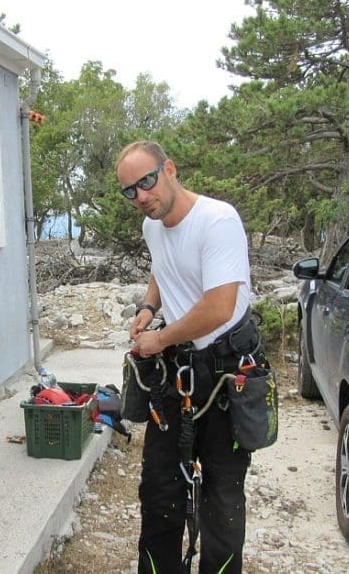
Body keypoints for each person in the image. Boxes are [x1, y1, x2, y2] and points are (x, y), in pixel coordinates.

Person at [118, 141, 262, 573]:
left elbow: (219, 307)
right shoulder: (153, 226)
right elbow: (162, 268)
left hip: (225, 370)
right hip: (179, 375)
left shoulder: (217, 220)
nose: (142, 196)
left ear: (170, 169)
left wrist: (159, 340)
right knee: (160, 490)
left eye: (147, 181)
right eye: (130, 191)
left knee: (221, 495)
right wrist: (148, 307)